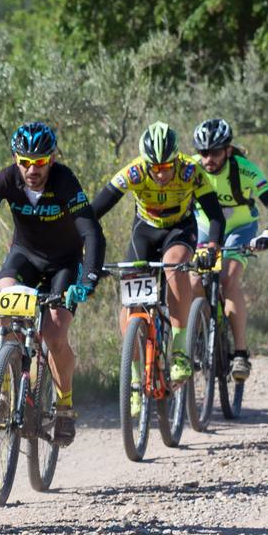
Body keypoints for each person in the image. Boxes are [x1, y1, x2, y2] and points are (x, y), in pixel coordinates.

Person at [0, 122, 107, 445]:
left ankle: (63, 406)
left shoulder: (64, 181)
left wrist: (87, 279)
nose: (33, 169)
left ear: (52, 159)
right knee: (1, 307)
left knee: (53, 332)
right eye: (26, 161)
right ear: (16, 159)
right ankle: (2, 392)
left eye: (41, 161)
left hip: (63, 263)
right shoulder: (7, 179)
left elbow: (92, 232)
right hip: (25, 258)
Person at [92, 121, 226, 387]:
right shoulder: (135, 171)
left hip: (179, 228)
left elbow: (216, 216)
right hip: (145, 229)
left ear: (176, 160)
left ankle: (178, 352)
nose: (161, 174)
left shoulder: (190, 170)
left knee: (173, 265)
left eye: (166, 167)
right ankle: (131, 376)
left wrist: (212, 247)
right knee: (131, 298)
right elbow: (94, 210)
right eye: (155, 168)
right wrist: (86, 248)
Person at [191, 118, 268, 382]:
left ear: (228, 150)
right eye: (203, 152)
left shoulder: (244, 169)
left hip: (240, 228)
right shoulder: (192, 168)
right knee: (195, 280)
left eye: (215, 152)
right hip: (205, 228)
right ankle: (200, 334)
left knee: (228, 279)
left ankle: (240, 352)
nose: (208, 158)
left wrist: (267, 234)